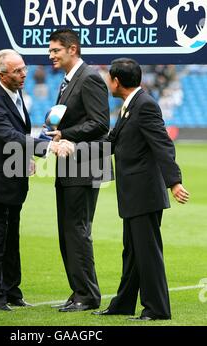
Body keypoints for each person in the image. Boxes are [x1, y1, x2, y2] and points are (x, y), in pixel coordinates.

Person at [92, 58, 189, 320]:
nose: (107, 83)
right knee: (133, 252)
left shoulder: (144, 105)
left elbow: (163, 144)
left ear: (116, 81)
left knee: (147, 253)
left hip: (144, 193)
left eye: (108, 78)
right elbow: (111, 141)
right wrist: (71, 142)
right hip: (134, 193)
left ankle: (157, 308)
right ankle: (123, 303)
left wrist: (174, 182)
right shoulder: (131, 105)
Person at [0, 49, 72, 311]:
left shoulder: (15, 94)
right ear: (2, 74)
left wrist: (26, 158)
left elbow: (16, 135)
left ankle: (12, 291)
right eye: (17, 71)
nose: (24, 74)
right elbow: (10, 135)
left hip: (12, 177)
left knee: (11, 238)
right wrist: (48, 148)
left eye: (24, 68)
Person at [46, 29, 110, 312]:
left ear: (72, 49)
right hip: (69, 166)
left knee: (77, 230)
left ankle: (87, 295)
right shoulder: (67, 82)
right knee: (67, 231)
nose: (51, 56)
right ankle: (78, 291)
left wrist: (65, 135)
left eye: (56, 50)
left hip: (84, 166)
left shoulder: (90, 78)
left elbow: (100, 123)